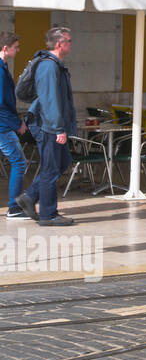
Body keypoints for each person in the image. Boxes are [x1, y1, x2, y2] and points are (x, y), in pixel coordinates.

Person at [26, 26, 76, 226]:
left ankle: (30, 196)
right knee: (50, 169)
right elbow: (50, 100)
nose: (71, 44)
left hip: (54, 125)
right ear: (59, 44)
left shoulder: (56, 65)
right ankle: (48, 214)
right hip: (49, 126)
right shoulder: (48, 67)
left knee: (62, 163)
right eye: (69, 41)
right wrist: (57, 128)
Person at [0, 31, 34, 219]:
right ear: (5, 48)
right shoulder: (0, 70)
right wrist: (17, 124)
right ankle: (14, 207)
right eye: (16, 47)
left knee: (18, 162)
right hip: (3, 126)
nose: (18, 50)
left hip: (4, 124)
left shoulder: (3, 68)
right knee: (19, 162)